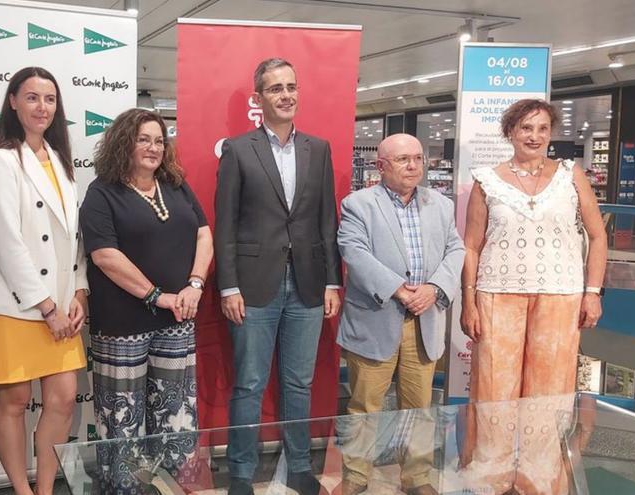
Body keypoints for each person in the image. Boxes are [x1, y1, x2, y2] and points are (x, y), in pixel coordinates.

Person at [459, 99, 607, 495]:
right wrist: (469, 301)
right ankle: (490, 477)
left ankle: (539, 479)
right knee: (494, 388)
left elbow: (597, 235)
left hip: (561, 295)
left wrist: (592, 292)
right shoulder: (486, 179)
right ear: (510, 132)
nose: (535, 136)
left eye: (542, 129)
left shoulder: (571, 176)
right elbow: (471, 247)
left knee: (550, 391)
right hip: (497, 295)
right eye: (526, 128)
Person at [214, 57, 342, 495]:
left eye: (291, 86)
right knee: (249, 383)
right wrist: (228, 285)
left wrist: (332, 281)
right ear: (259, 98)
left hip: (307, 284)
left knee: (298, 382)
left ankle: (300, 467)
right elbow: (225, 223)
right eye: (275, 89)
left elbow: (328, 220)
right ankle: (242, 475)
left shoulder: (318, 148)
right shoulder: (238, 149)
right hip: (253, 287)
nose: (286, 95)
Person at [80, 108, 213, 493]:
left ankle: (177, 489)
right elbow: (105, 255)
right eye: (144, 139)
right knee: (122, 426)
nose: (153, 147)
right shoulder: (102, 192)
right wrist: (158, 296)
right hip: (123, 326)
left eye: (159, 140)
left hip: (177, 319)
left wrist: (195, 284)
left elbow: (204, 235)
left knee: (177, 420)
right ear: (125, 142)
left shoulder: (176, 186)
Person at [0, 66, 88, 495]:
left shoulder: (60, 159)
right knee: (15, 401)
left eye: (50, 99)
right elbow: (7, 240)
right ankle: (21, 491)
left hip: (61, 303)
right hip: (16, 304)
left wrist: (78, 290)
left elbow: (71, 235)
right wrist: (46, 306)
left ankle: (45, 489)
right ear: (13, 102)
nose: (42, 107)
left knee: (62, 400)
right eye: (33, 97)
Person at [336, 133, 464, 495]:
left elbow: (456, 249)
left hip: (424, 321)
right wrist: (398, 289)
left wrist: (434, 289)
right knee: (364, 405)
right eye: (404, 159)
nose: (414, 166)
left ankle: (417, 478)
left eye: (418, 159)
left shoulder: (440, 204)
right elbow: (354, 251)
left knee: (420, 406)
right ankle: (357, 475)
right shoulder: (358, 204)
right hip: (376, 319)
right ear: (381, 166)